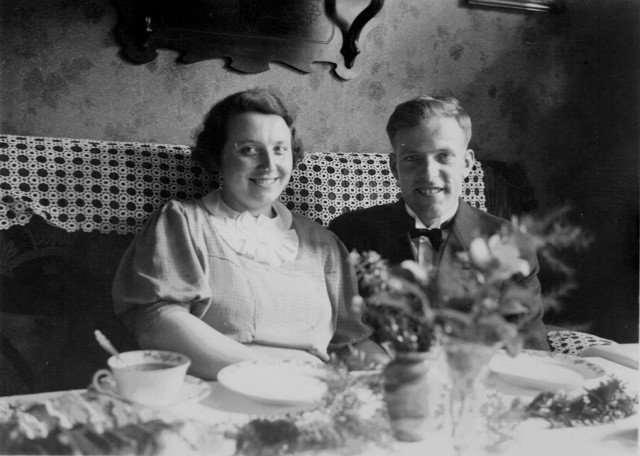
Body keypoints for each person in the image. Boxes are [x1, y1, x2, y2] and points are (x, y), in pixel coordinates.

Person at [112, 88, 387, 379]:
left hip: (313, 397)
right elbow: (158, 323)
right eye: (249, 150)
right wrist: (277, 376)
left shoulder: (324, 243)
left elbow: (350, 343)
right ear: (217, 155)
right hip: (222, 388)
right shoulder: (183, 221)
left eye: (280, 149)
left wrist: (401, 376)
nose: (269, 165)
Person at [329, 95, 549, 350]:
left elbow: (530, 347)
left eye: (444, 156)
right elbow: (339, 334)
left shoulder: (509, 241)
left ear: (466, 163)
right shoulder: (349, 233)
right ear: (394, 166)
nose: (429, 174)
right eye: (412, 158)